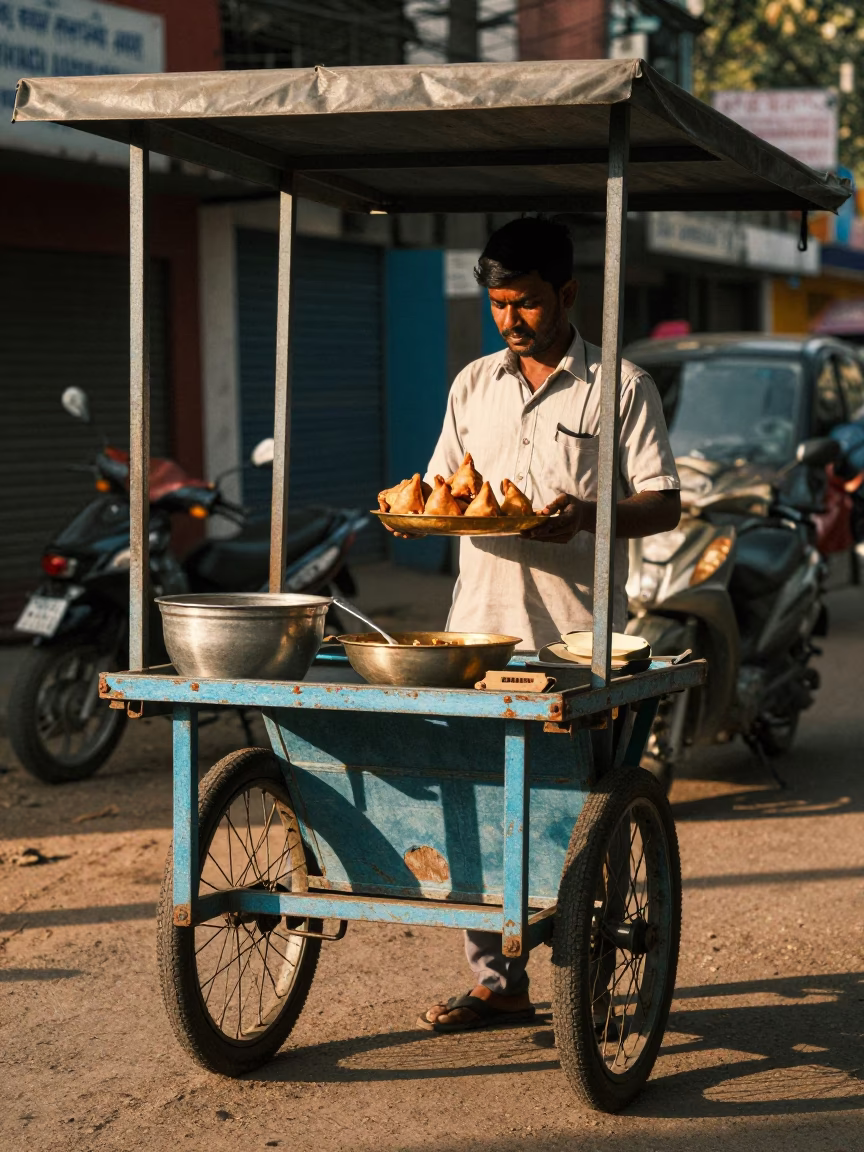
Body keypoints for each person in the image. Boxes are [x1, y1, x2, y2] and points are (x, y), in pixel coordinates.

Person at [407, 216, 682, 1032]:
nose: (510, 320)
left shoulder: (621, 387)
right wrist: (413, 511)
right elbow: (442, 488)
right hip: (479, 632)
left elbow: (663, 502)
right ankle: (498, 980)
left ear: (566, 294)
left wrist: (592, 515)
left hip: (580, 640)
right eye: (497, 303)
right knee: (477, 807)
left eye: (525, 303)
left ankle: (592, 974)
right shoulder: (471, 384)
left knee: (580, 811)